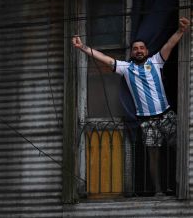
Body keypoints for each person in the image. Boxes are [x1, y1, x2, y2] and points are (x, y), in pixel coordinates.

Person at [72, 17, 190, 195]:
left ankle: (181, 185)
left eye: (142, 48)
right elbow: (105, 58)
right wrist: (82, 47)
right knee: (153, 157)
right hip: (147, 121)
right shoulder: (126, 68)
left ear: (147, 51)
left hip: (166, 115)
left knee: (180, 147)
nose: (139, 50)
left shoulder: (156, 61)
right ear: (132, 53)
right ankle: (158, 190)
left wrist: (181, 30)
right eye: (135, 49)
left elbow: (169, 44)